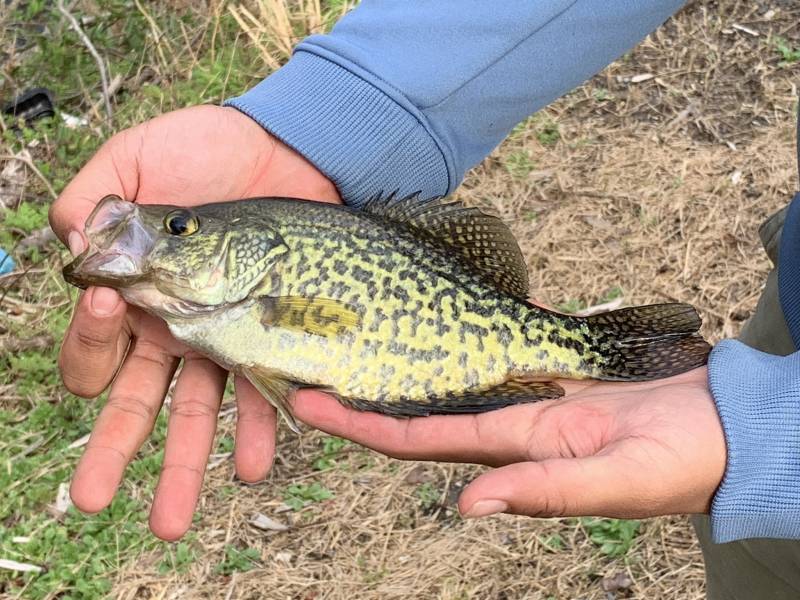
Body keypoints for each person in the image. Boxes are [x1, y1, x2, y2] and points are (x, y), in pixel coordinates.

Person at [48, 2, 800, 598]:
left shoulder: (258, 300)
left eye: (179, 229)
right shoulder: (234, 292)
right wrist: (339, 112)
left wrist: (773, 444)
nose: (167, 233)